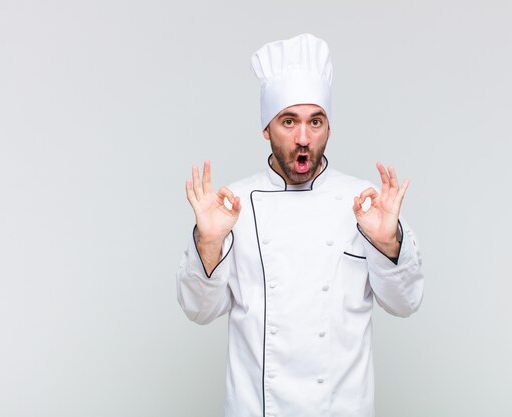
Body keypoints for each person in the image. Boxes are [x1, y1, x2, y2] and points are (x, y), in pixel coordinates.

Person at [176, 33, 424, 417]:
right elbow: (198, 310)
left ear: (329, 127)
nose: (303, 138)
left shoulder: (368, 204)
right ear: (266, 128)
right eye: (288, 122)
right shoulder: (231, 207)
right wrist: (208, 243)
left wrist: (389, 243)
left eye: (316, 122)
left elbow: (405, 303)